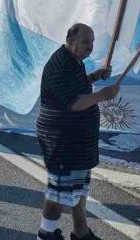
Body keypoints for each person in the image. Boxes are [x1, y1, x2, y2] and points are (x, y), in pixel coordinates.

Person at [36, 24, 117, 240]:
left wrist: (94, 77)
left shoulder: (75, 60)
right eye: (85, 42)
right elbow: (74, 102)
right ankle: (46, 232)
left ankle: (80, 233)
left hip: (77, 140)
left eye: (91, 42)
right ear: (71, 41)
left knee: (78, 190)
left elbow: (76, 85)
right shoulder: (61, 64)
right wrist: (104, 95)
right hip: (62, 139)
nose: (90, 47)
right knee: (59, 193)